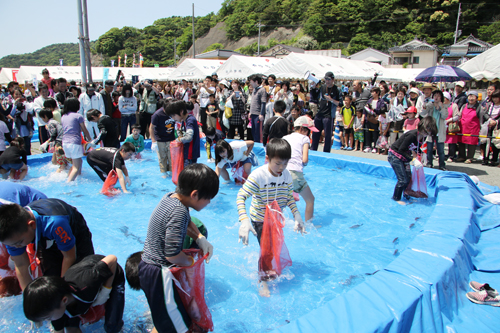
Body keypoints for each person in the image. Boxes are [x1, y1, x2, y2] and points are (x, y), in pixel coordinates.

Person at [137, 164, 217, 333]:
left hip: (149, 268)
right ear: (194, 194)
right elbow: (172, 255)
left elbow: (186, 221)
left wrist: (200, 238)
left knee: (169, 321)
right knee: (180, 328)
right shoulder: (178, 211)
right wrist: (190, 262)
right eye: (208, 198)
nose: (209, 202)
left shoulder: (171, 198)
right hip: (159, 274)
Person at [236, 138, 304, 297]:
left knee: (271, 248)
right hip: (259, 218)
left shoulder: (286, 175)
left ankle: (266, 269)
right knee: (267, 250)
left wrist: (297, 215)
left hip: (275, 218)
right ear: (267, 158)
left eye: (285, 164)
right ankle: (263, 281)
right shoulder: (258, 176)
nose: (281, 168)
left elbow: (288, 198)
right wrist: (244, 220)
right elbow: (241, 196)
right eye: (278, 163)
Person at [0, 198, 94, 290]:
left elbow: (69, 257)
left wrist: (61, 289)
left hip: (74, 231)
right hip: (41, 234)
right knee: (50, 279)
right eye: (12, 245)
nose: (16, 247)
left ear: (32, 225)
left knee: (82, 275)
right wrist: (28, 297)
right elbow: (21, 265)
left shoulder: (55, 223)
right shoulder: (12, 237)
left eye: (19, 243)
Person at [23, 254, 125, 333]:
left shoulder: (87, 282)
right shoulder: (56, 306)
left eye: (48, 318)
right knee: (70, 327)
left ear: (64, 301)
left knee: (112, 326)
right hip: (82, 288)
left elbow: (112, 259)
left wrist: (105, 290)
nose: (49, 321)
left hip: (112, 274)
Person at [388, 116, 438, 204]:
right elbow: (400, 150)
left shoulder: (422, 137)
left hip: (404, 156)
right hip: (395, 155)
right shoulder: (412, 135)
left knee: (408, 178)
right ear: (421, 127)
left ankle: (406, 195)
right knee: (402, 179)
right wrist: (413, 160)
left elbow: (416, 148)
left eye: (428, 133)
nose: (425, 134)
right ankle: (396, 198)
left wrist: (420, 156)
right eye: (425, 131)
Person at [284, 116, 317, 221]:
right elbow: (305, 159)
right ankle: (309, 225)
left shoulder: (285, 137)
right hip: (294, 173)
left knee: (280, 201)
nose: (309, 134)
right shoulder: (305, 138)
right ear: (302, 129)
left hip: (281, 172)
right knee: (310, 200)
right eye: (308, 131)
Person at [61, 97, 92, 182]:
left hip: (65, 143)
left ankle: (75, 178)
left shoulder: (63, 116)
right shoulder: (78, 116)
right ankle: (68, 184)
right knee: (76, 167)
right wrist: (90, 140)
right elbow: (84, 130)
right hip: (74, 143)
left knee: (78, 162)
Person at [311, 72, 343, 153]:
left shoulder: (337, 89)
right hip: (319, 114)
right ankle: (313, 151)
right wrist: (313, 88)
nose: (327, 81)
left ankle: (326, 153)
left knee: (327, 136)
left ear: (333, 80)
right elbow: (314, 97)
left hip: (329, 115)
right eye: (326, 79)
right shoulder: (322, 87)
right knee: (315, 134)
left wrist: (331, 100)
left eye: (329, 79)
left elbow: (341, 103)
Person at [420, 90, 448, 170]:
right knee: (429, 149)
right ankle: (429, 163)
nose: (436, 97)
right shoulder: (430, 105)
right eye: (435, 95)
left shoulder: (444, 106)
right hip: (430, 130)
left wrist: (440, 107)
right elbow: (423, 113)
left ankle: (442, 165)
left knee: (441, 150)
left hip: (439, 130)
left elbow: (445, 116)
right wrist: (424, 106)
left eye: (438, 96)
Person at [166, 100, 201, 166]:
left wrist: (177, 140)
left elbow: (188, 137)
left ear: (181, 112)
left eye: (173, 115)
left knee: (188, 175)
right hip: (186, 154)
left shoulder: (190, 120)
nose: (173, 118)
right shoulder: (184, 121)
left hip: (190, 155)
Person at [150, 99, 176, 177]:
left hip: (171, 138)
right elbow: (151, 127)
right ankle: (163, 172)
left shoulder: (173, 112)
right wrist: (153, 141)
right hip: (160, 139)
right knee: (162, 157)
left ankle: (172, 172)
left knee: (171, 157)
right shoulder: (157, 115)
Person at [456, 91, 483, 164]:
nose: (471, 98)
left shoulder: (479, 107)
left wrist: (481, 127)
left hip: (473, 128)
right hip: (463, 126)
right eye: (469, 96)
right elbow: (460, 115)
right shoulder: (464, 106)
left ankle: (470, 157)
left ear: (476, 98)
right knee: (461, 141)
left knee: (472, 143)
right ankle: (462, 156)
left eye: (473, 96)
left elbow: (481, 118)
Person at [10, 87, 35, 155]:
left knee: (27, 145)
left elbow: (30, 111)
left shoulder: (25, 102)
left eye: (19, 94)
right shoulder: (11, 103)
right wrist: (15, 104)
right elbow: (11, 114)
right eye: (16, 94)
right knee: (19, 145)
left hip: (26, 126)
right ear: (13, 95)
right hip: (17, 127)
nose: (18, 96)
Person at [363, 87, 385, 153]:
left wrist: (374, 110)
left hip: (376, 119)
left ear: (377, 93)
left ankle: (375, 147)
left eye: (373, 92)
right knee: (367, 132)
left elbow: (382, 109)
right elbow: (365, 108)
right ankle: (368, 146)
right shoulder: (370, 100)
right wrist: (363, 116)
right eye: (371, 92)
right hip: (368, 118)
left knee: (375, 133)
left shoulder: (381, 101)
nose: (372, 93)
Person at [482, 89, 500, 166]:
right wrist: (490, 120)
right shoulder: (489, 105)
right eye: (494, 97)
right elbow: (485, 113)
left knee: (496, 143)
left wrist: (496, 122)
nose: (495, 99)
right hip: (488, 124)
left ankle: (494, 159)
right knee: (487, 142)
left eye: (497, 97)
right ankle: (485, 158)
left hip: (498, 126)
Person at [248, 74, 267, 143]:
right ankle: (255, 145)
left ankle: (259, 146)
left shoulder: (262, 90)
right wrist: (250, 112)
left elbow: (263, 103)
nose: (250, 83)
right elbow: (253, 102)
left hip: (258, 114)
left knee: (258, 133)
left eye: (251, 82)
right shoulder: (254, 90)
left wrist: (261, 114)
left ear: (256, 81)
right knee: (253, 132)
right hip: (253, 114)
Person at [443, 91, 461, 162]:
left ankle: (451, 155)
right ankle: (442, 155)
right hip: (443, 126)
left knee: (451, 141)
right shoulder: (441, 105)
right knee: (441, 140)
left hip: (450, 125)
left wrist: (448, 121)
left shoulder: (454, 105)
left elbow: (457, 116)